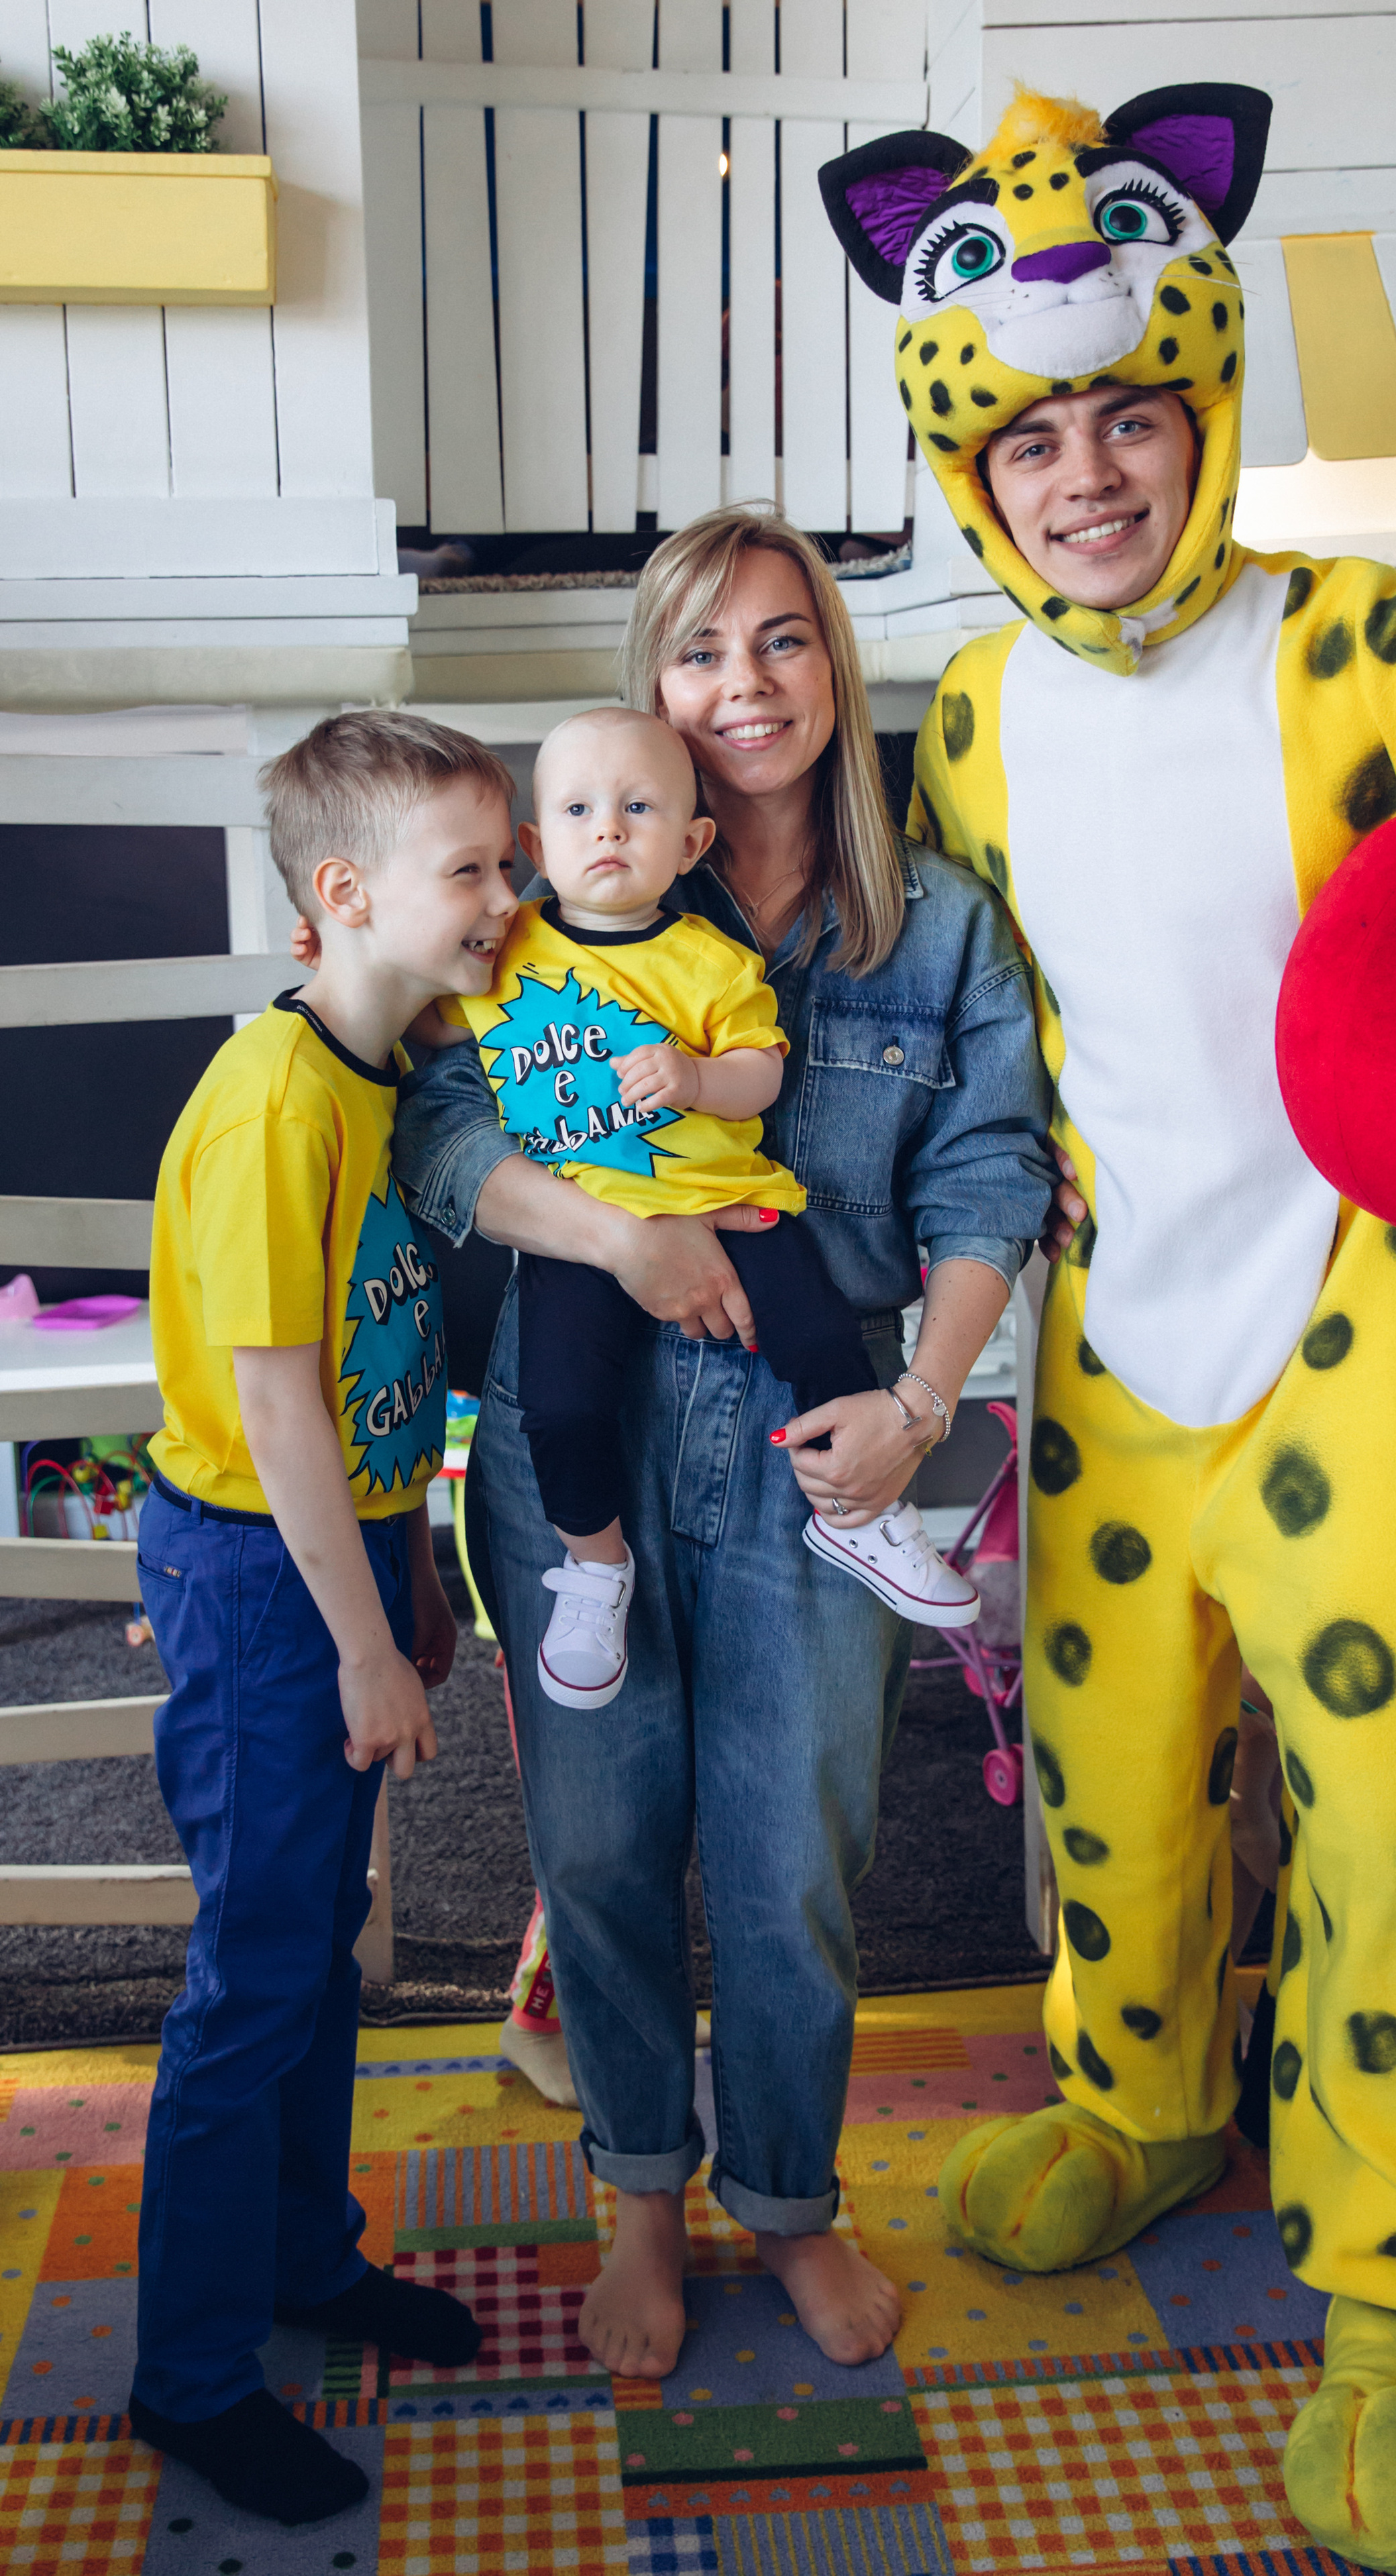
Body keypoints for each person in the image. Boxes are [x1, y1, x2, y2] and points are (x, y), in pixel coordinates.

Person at [821, 83, 1396, 2573]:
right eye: (1034, 434)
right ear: (971, 465)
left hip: (1382, 1375)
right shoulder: (976, 718)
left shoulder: (1367, 638)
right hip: (1104, 1359)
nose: (1090, 475)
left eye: (1133, 416)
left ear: (1206, 408)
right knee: (1113, 1788)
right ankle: (1140, 2104)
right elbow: (991, 1016)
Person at [390, 505, 1055, 2380]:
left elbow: (990, 1177)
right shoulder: (534, 925)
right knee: (597, 1847)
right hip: (572, 1426)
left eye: (781, 641)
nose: (744, 686)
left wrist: (920, 1411)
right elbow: (445, 1139)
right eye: (700, 651)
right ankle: (637, 2205)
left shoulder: (936, 931)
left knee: (793, 1860)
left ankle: (791, 2202)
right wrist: (623, 1235)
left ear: (833, 668)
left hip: (815, 1443)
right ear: (650, 696)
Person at [127, 714, 517, 2525]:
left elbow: (388, 1389)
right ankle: (191, 2376)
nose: (505, 899)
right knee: (255, 1976)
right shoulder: (280, 1098)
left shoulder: (391, 1078)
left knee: (317, 1960)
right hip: (258, 1572)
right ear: (344, 893)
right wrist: (356, 1638)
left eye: (508, 866)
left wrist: (417, 1566)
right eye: (475, 870)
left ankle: (306, 2255)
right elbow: (282, 1402)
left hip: (346, 1548)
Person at [414, 706, 979, 1708]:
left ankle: (868, 1518)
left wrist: (695, 1078)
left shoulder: (710, 961)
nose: (610, 831)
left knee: (821, 1340)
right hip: (585, 1236)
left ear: (691, 841)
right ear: (536, 844)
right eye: (580, 811)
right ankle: (594, 1571)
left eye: (639, 809)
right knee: (561, 1403)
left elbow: (762, 1074)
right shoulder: (508, 950)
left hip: (733, 1202)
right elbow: (424, 1013)